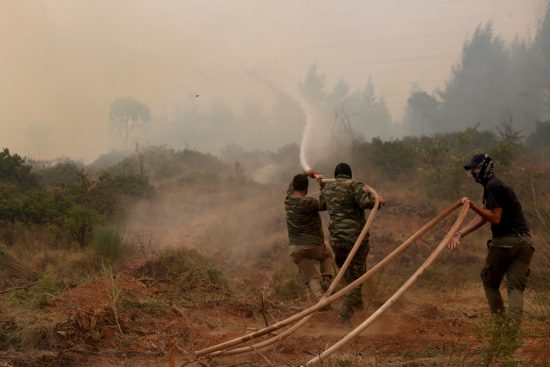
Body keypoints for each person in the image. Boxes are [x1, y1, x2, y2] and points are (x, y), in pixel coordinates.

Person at [448, 153, 535, 329]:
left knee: (490, 283)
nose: (473, 173)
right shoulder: (498, 185)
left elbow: (495, 218)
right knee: (515, 288)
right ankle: (511, 331)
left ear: (484, 168)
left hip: (505, 242)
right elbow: (484, 216)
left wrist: (472, 206)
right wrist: (460, 234)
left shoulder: (492, 186)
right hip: (524, 243)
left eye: (475, 169)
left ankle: (499, 326)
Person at [319, 163, 384, 325]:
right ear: (349, 174)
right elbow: (366, 203)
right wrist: (378, 199)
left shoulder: (327, 189)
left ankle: (359, 309)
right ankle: (344, 317)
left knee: (351, 277)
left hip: (336, 242)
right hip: (355, 240)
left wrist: (322, 187)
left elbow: (322, 205)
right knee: (356, 280)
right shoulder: (355, 185)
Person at [285, 173, 333, 300]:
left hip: (295, 250)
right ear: (306, 188)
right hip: (314, 246)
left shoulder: (288, 200)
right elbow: (324, 205)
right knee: (327, 253)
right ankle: (327, 278)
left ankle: (322, 301)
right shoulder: (309, 202)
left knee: (311, 276)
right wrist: (323, 186)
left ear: (294, 186)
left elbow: (291, 188)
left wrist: (304, 174)